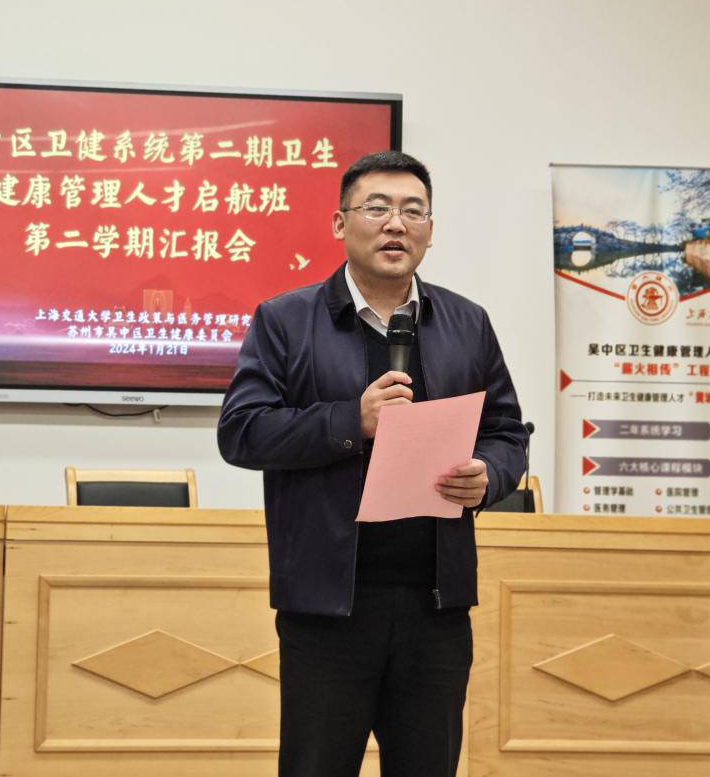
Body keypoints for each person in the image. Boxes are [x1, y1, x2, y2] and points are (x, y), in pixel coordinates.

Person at [218, 150, 528, 777]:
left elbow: (505, 433)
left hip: (435, 607)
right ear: (340, 223)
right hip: (328, 608)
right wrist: (350, 421)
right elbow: (242, 432)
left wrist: (489, 475)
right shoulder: (285, 320)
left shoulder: (467, 323)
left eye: (414, 211)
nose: (396, 224)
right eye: (377, 208)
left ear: (430, 231)